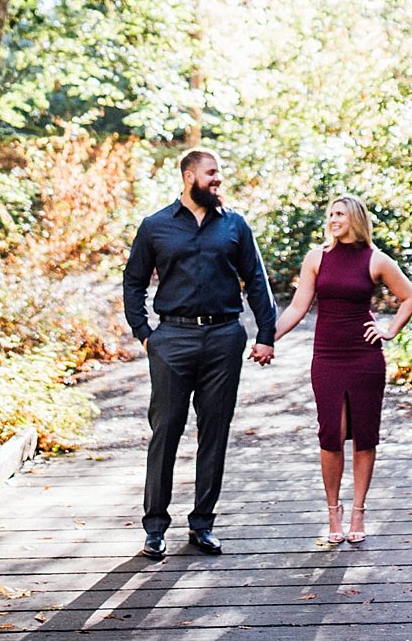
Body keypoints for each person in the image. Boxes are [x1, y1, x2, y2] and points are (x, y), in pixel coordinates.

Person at [121, 148, 277, 559]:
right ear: (189, 176)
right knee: (166, 432)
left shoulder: (235, 226)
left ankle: (202, 524)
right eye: (211, 174)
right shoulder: (155, 226)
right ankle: (154, 527)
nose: (217, 181)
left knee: (215, 434)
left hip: (224, 339)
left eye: (219, 175)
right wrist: (144, 334)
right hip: (172, 340)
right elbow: (133, 281)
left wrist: (266, 334)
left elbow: (257, 281)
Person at [271, 193, 412, 545]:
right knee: (331, 434)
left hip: (365, 358)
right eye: (331, 214)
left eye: (340, 214)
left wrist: (389, 330)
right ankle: (332, 512)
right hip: (326, 357)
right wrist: (268, 338)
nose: (333, 219)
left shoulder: (376, 259)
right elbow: (297, 308)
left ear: (355, 218)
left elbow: (409, 296)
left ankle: (358, 512)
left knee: (365, 436)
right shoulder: (317, 258)